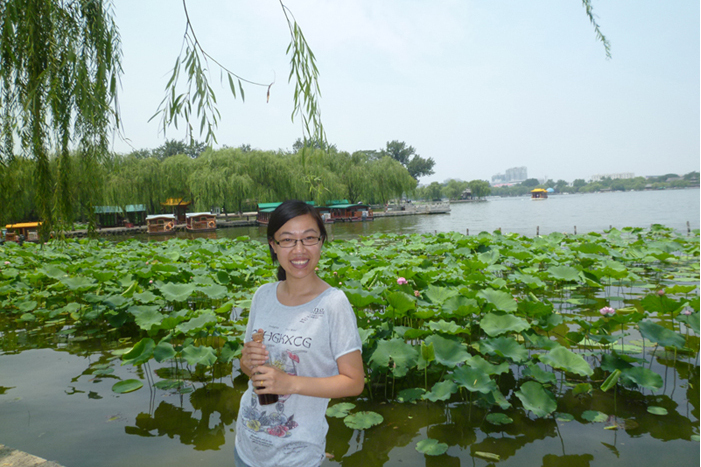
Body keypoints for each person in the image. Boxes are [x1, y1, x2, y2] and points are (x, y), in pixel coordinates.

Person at [235, 200, 364, 467]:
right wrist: (246, 363)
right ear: (273, 245)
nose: (299, 250)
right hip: (246, 447)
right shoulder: (263, 295)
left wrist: (290, 383)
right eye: (287, 240)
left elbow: (354, 382)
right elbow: (248, 367)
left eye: (308, 238)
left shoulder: (333, 304)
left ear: (321, 241)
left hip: (296, 455)